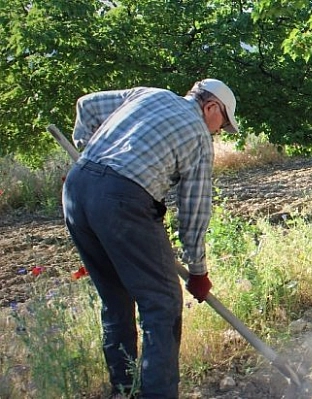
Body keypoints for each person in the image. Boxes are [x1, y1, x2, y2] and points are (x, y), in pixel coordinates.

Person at [62, 78, 238, 398]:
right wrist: (198, 271)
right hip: (122, 201)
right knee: (162, 304)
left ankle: (124, 390)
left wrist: (87, 150)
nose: (218, 131)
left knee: (116, 301)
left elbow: (86, 104)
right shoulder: (199, 136)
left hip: (77, 188)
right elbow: (194, 211)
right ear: (211, 107)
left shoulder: (149, 94)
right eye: (222, 124)